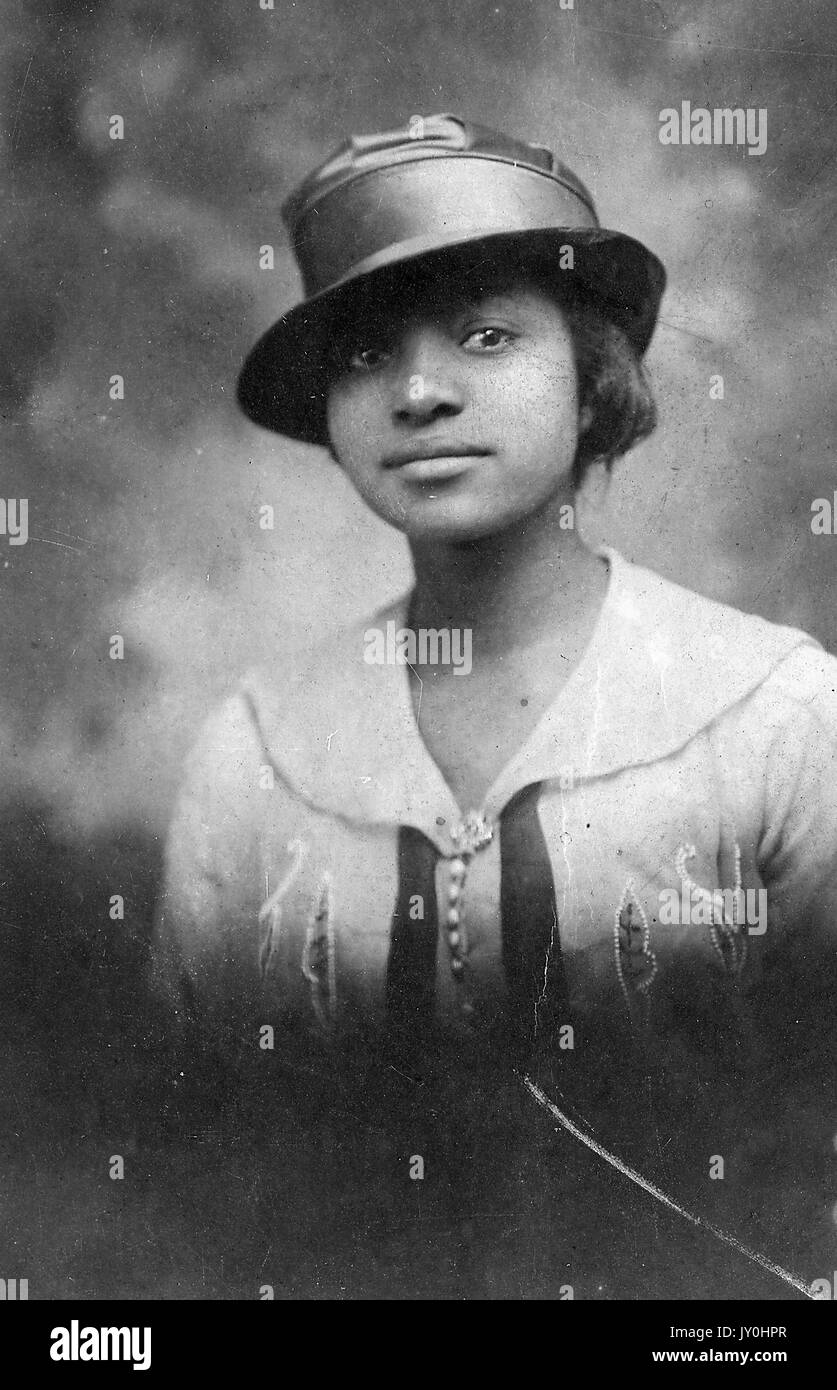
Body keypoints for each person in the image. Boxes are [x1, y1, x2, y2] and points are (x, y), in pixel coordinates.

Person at [149, 114, 837, 1297]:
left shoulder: (777, 713)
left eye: (484, 334)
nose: (419, 392)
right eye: (366, 356)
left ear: (590, 384)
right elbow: (183, 1149)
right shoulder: (257, 747)